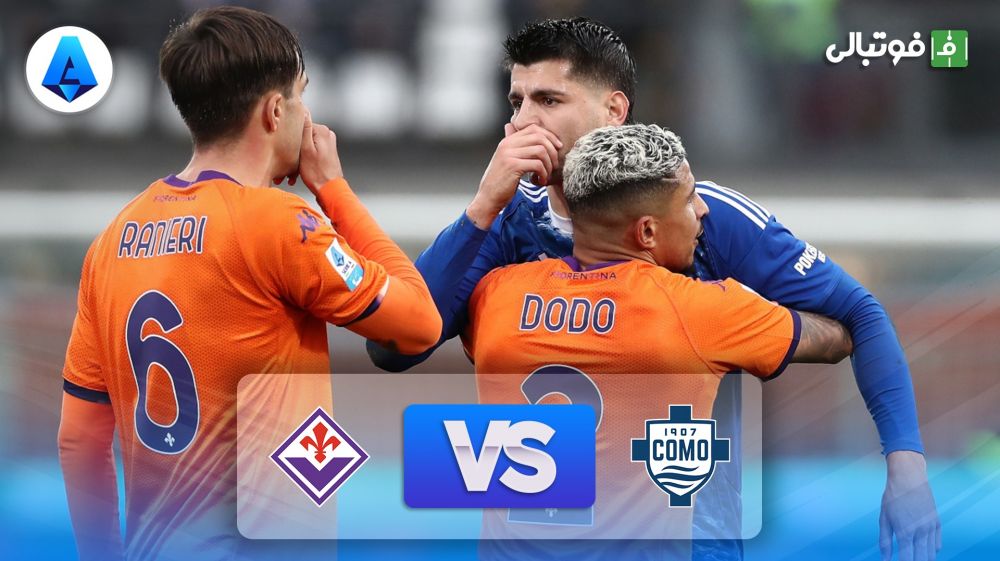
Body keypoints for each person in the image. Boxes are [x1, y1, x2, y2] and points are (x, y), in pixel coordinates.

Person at [366, 16, 940, 561]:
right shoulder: (503, 223)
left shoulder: (703, 216)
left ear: (614, 110)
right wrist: (482, 207)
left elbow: (862, 314)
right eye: (516, 102)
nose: (521, 123)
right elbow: (392, 349)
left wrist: (906, 463)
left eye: (548, 100)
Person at [57, 7, 440, 561]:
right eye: (302, 96)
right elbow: (421, 325)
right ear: (275, 110)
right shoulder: (278, 223)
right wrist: (333, 189)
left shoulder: (111, 241)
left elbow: (80, 438)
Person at [467, 122, 853, 558]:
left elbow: (422, 328)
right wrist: (752, 307)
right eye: (688, 199)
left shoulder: (497, 294)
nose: (703, 210)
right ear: (647, 233)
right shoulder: (700, 310)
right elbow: (838, 338)